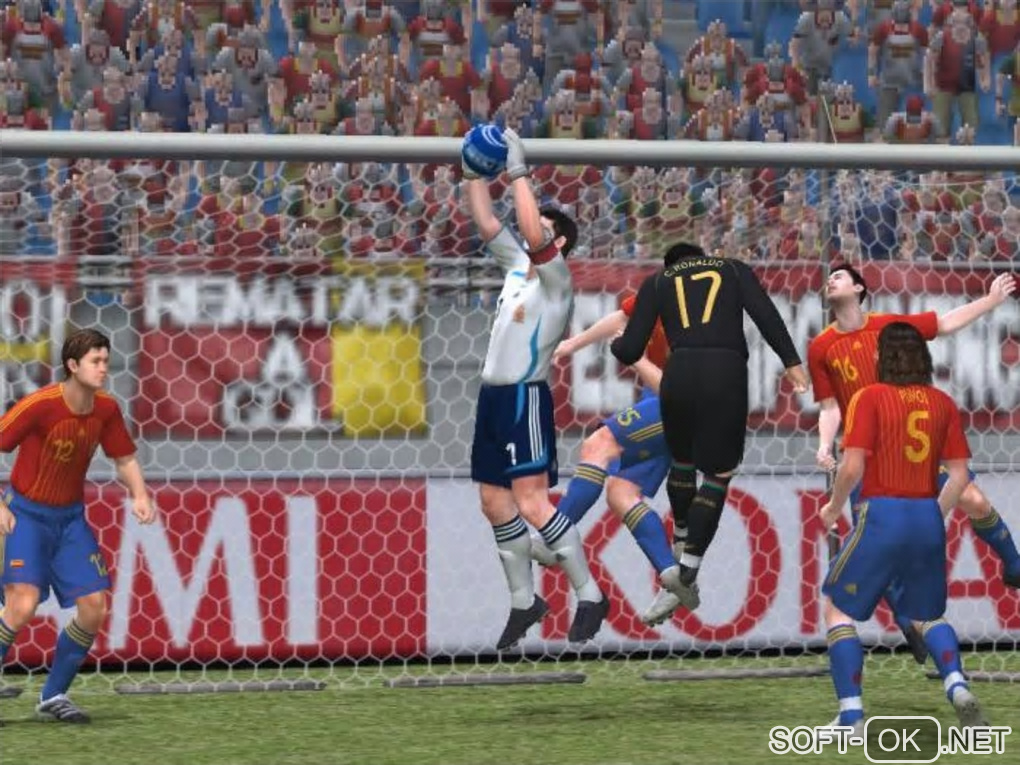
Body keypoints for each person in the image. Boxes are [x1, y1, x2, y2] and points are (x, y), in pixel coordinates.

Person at [808, 264, 1020, 663]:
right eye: (828, 276)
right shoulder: (821, 346)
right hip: (866, 456)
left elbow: (944, 323)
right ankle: (910, 624)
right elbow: (830, 406)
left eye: (840, 275)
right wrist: (823, 445)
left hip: (911, 442)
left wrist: (991, 301)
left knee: (973, 500)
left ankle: (1013, 563)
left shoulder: (890, 328)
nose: (830, 279)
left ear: (859, 287)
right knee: (881, 543)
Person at [464, 128, 609, 650]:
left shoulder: (556, 280)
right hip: (492, 399)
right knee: (493, 502)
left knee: (530, 503)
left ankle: (589, 594)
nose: (530, 229)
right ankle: (525, 601)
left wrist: (518, 170)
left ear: (559, 242)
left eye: (544, 228)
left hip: (525, 397)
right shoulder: (516, 270)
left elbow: (529, 228)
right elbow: (487, 221)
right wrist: (472, 173)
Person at [610, 242, 808, 610]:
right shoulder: (731, 268)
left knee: (682, 461)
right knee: (718, 474)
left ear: (671, 263)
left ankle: (680, 537)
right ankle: (687, 570)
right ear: (702, 257)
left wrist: (616, 345)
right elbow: (765, 313)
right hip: (725, 370)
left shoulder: (658, 281)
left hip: (679, 373)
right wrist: (791, 362)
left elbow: (631, 349)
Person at [818, 322, 987, 733]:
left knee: (837, 608)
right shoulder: (942, 402)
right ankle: (956, 684)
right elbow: (959, 476)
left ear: (882, 357)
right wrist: (934, 512)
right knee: (927, 614)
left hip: (882, 514)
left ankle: (851, 715)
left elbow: (852, 466)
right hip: (926, 517)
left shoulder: (869, 397)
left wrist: (834, 506)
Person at [0, 329, 156, 724]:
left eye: (106, 360)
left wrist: (139, 494)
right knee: (21, 605)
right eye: (95, 361)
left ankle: (53, 695)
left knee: (94, 607)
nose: (104, 368)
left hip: (70, 520)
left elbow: (124, 458)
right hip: (27, 516)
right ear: (73, 365)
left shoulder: (106, 409)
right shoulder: (39, 405)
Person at [534, 253, 693, 624]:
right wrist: (573, 344)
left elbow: (675, 389)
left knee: (599, 444)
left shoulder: (700, 326)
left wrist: (634, 358)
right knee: (621, 493)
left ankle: (556, 539)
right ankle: (672, 576)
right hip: (660, 405)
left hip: (678, 405)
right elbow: (621, 318)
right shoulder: (661, 295)